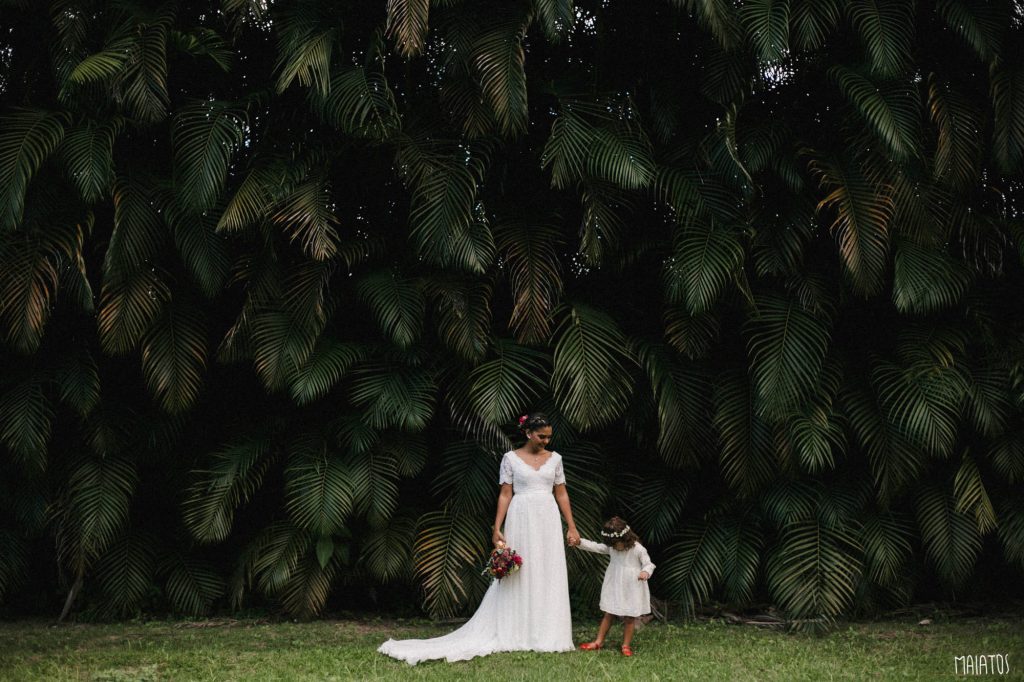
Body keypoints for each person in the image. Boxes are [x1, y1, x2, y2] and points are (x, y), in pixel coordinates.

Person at [378, 412, 580, 664]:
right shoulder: (510, 459)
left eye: (549, 437)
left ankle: (549, 633)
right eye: (541, 436)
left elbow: (561, 493)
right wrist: (496, 528)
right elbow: (505, 494)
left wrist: (571, 526)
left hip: (547, 518)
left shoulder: (556, 459)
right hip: (521, 516)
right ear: (528, 433)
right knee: (521, 572)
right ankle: (518, 630)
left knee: (547, 570)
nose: (546, 441)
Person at [573, 516, 655, 657]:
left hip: (631, 585)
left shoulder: (637, 549)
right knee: (609, 613)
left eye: (617, 543)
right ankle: (599, 641)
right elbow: (596, 547)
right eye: (612, 544)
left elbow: (648, 563)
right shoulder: (612, 547)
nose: (615, 547)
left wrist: (645, 572)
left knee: (630, 617)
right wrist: (580, 542)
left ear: (625, 538)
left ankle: (625, 645)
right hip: (615, 584)